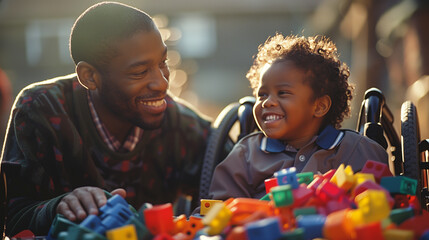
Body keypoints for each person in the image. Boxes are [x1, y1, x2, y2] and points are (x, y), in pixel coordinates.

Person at [1, 2, 211, 236]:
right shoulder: (41, 110)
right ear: (89, 76)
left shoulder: (182, 125)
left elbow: (235, 189)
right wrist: (58, 206)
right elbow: (12, 218)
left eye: (163, 63)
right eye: (140, 72)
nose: (162, 82)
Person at [208, 34, 388, 200]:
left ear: (319, 106)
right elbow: (218, 208)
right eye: (262, 94)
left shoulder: (355, 150)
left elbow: (384, 206)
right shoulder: (246, 154)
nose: (267, 102)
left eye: (283, 93)